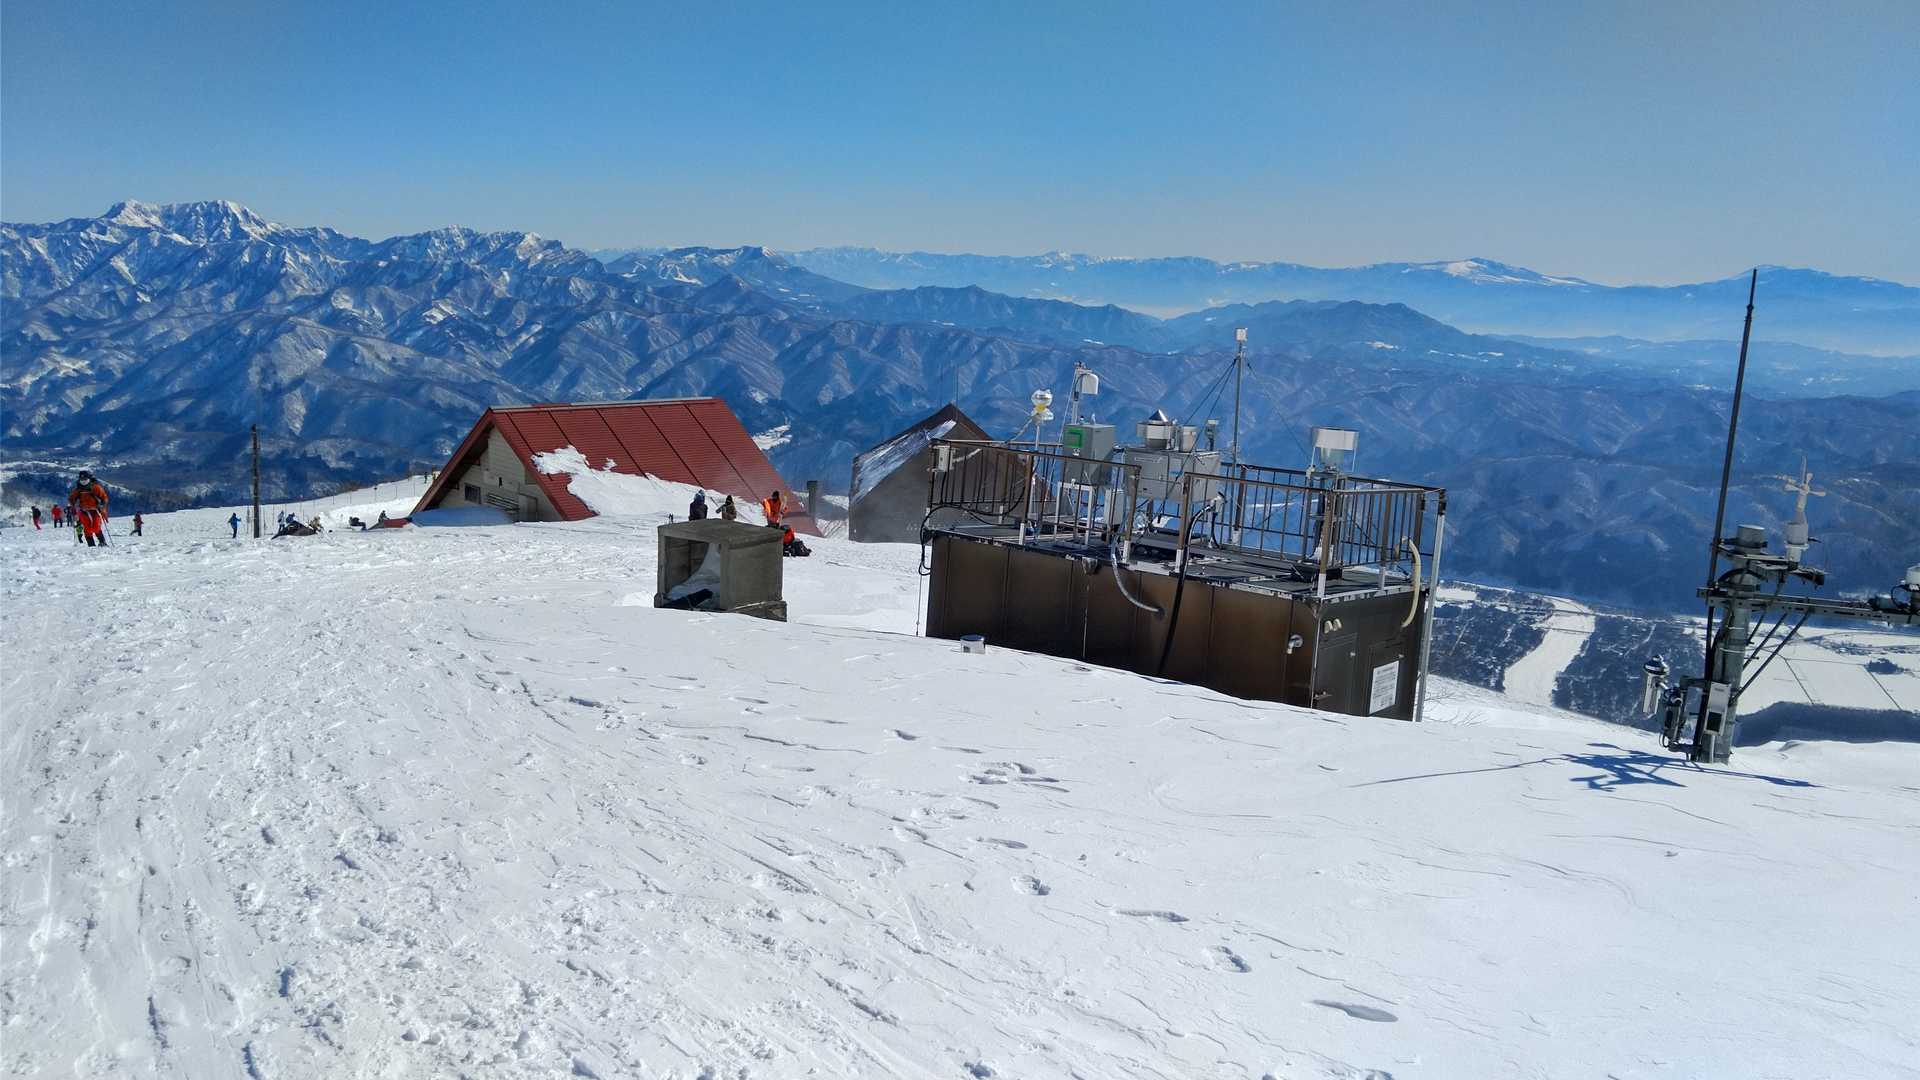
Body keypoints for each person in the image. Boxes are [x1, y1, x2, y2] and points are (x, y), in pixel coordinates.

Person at [69, 471, 109, 548]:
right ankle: (91, 545)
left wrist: (102, 505)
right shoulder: (78, 489)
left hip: (95, 510)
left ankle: (102, 542)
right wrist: (73, 505)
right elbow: (72, 498)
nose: (83, 481)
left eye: (85, 479)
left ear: (89, 478)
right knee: (87, 529)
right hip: (84, 511)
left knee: (96, 527)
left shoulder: (96, 487)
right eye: (81, 479)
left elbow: (104, 497)